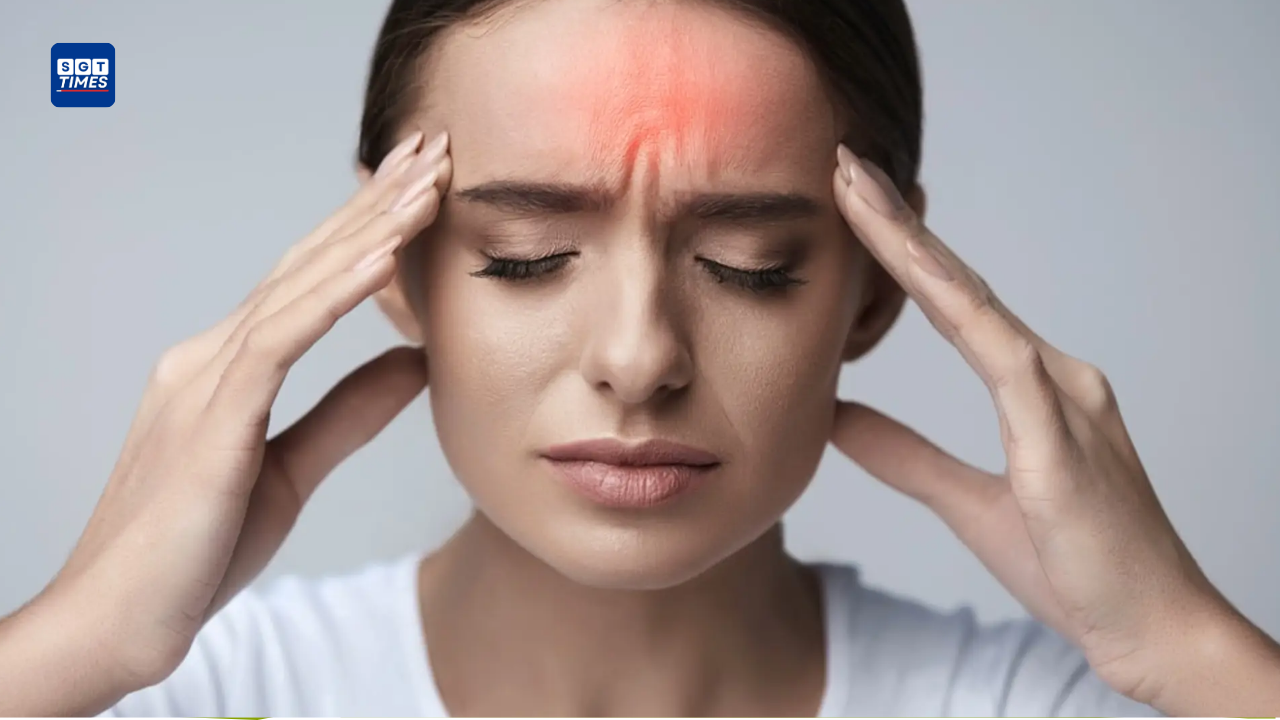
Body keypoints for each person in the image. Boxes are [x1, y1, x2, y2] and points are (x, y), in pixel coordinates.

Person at [1, 0, 1277, 716]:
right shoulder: (192, 697)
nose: (636, 358)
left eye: (748, 265)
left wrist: (1188, 651)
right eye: (525, 255)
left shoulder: (1021, 711)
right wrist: (74, 649)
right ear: (386, 263)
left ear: (879, 285)